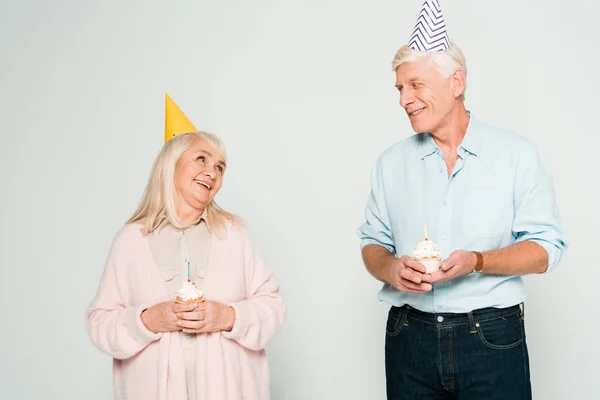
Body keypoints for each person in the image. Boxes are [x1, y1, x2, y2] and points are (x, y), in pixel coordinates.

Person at [357, 1, 567, 399]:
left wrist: (478, 261)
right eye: (400, 88)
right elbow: (372, 244)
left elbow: (545, 249)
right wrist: (390, 268)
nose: (404, 99)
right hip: (408, 336)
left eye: (416, 85)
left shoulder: (516, 155)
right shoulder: (390, 163)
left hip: (490, 337)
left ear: (456, 82)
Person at [86, 129, 285, 400]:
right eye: (201, 159)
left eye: (220, 167)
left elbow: (273, 307)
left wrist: (227, 317)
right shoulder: (131, 240)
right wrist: (146, 321)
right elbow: (99, 322)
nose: (212, 172)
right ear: (171, 164)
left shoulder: (234, 235)